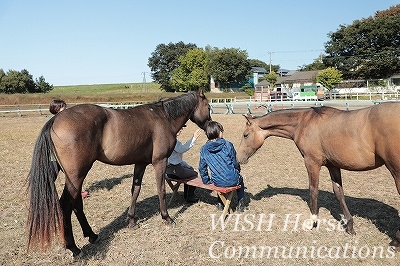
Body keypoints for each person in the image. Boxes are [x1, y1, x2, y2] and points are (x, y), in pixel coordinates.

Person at [198, 121, 245, 212]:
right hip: (233, 179)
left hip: (217, 181)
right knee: (241, 180)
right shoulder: (228, 145)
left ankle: (220, 203)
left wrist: (206, 180)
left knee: (219, 177)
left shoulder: (204, 149)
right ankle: (241, 204)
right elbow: (235, 162)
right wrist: (237, 171)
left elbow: (202, 167)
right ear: (219, 132)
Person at [48, 99, 89, 199]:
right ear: (56, 109)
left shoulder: (65, 121)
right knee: (51, 178)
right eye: (63, 108)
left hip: (63, 154)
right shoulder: (52, 121)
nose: (66, 109)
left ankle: (77, 193)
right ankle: (50, 197)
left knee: (74, 175)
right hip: (54, 156)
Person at [166, 125, 203, 203]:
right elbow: (182, 149)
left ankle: (187, 195)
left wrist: (187, 166)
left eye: (182, 128)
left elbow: (176, 158)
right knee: (194, 174)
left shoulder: (166, 139)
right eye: (180, 128)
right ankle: (189, 196)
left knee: (190, 170)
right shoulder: (173, 140)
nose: (181, 130)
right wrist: (194, 138)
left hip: (168, 170)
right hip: (175, 170)